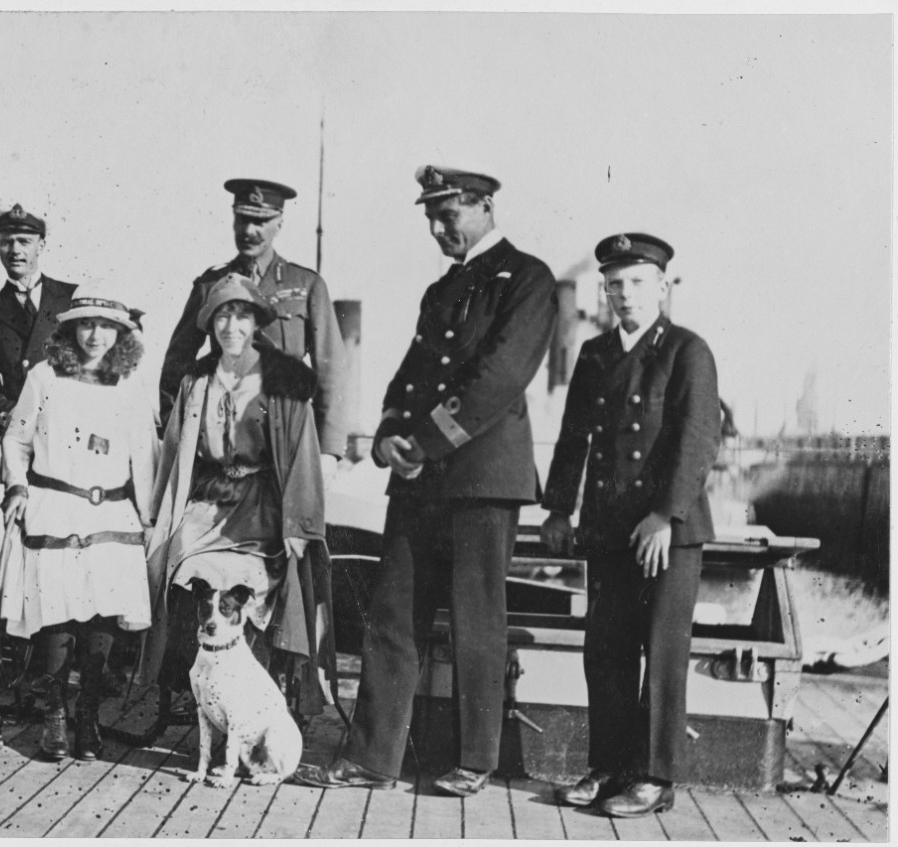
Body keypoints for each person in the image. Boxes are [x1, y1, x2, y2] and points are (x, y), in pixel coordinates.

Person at [296, 166, 557, 796]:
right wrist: (388, 433)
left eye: (450, 216)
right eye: (431, 219)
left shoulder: (527, 280)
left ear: (486, 206)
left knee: (476, 621)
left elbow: (500, 377)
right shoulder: (442, 291)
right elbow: (411, 373)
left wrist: (426, 442)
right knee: (393, 616)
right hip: (419, 480)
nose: (440, 230)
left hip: (481, 480)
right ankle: (372, 759)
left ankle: (476, 760)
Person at [541, 233, 721, 818]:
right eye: (614, 284)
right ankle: (609, 765)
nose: (624, 294)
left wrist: (664, 516)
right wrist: (559, 508)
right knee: (607, 649)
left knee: (662, 650)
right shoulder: (595, 354)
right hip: (610, 527)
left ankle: (653, 776)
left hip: (669, 530)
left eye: (637, 282)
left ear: (662, 288)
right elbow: (574, 439)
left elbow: (697, 440)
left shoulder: (688, 351)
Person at [142, 274, 334, 723]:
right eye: (222, 316)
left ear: (255, 323)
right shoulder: (196, 381)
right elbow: (174, 452)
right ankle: (197, 687)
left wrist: (300, 526)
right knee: (181, 568)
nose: (231, 326)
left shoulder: (282, 380)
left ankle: (250, 696)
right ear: (209, 325)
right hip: (208, 504)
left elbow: (304, 456)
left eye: (241, 315)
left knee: (254, 584)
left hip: (263, 508)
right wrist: (159, 517)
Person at [0, 289, 158, 761]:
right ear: (70, 329)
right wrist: (17, 488)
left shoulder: (128, 383)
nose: (95, 335)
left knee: (103, 612)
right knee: (57, 610)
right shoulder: (44, 376)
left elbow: (144, 454)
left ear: (121, 334)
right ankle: (55, 715)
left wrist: (146, 517)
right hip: (55, 504)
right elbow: (16, 438)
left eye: (107, 326)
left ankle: (88, 715)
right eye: (86, 325)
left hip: (110, 512)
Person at [158, 178, 348, 482]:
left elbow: (332, 370)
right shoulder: (211, 285)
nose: (249, 231)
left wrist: (328, 450)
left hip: (288, 435)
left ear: (279, 223)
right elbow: (177, 363)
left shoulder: (307, 285)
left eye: (260, 221)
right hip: (224, 441)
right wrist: (179, 433)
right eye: (243, 219)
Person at [0, 203, 78, 435]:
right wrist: (16, 417)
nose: (15, 250)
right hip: (20, 433)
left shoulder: (74, 299)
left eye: (24, 242)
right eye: (7, 241)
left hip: (71, 428)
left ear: (41, 246)